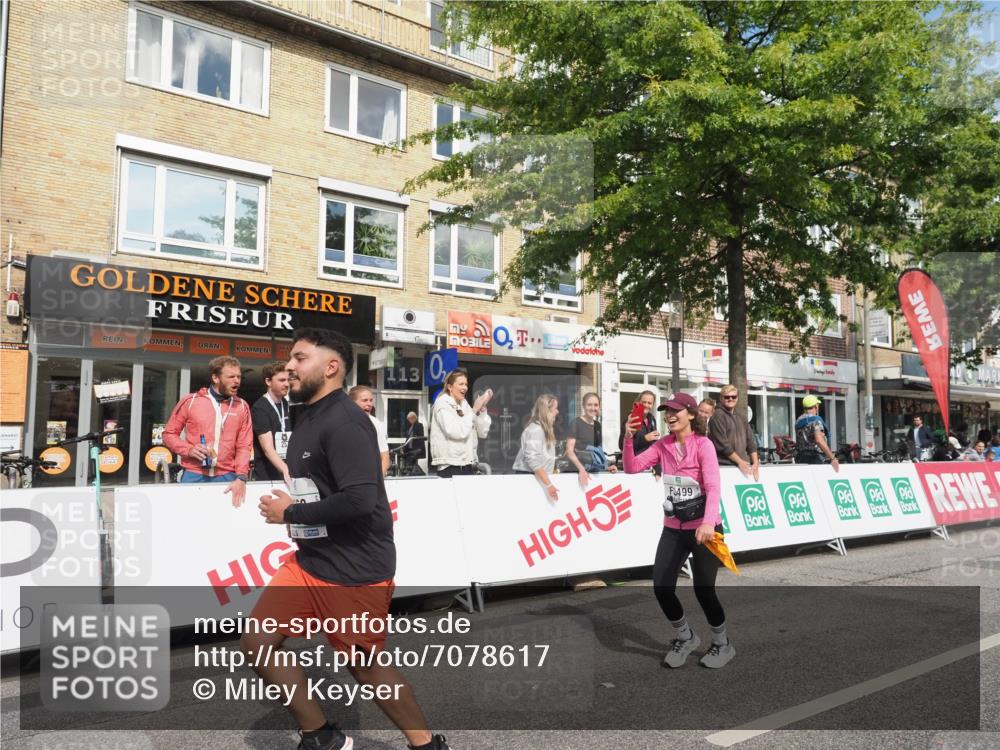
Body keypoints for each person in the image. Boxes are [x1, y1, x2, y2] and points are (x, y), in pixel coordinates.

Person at [247, 327, 452, 750]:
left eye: (300, 358)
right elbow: (324, 488)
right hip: (311, 561)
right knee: (259, 642)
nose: (289, 367)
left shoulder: (346, 422)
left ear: (331, 367)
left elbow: (359, 500)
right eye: (290, 360)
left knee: (365, 667)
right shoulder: (308, 416)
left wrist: (291, 512)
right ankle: (320, 736)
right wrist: (297, 505)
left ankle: (427, 745)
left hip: (356, 568)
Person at [623, 392, 734, 669]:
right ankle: (686, 637)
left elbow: (713, 487)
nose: (669, 416)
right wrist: (628, 438)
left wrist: (708, 522)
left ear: (691, 414)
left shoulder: (704, 445)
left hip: (706, 528)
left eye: (675, 411)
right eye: (666, 412)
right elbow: (632, 467)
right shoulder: (663, 445)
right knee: (661, 586)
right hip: (674, 528)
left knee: (704, 589)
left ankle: (722, 644)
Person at [163, 355, 252, 507]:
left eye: (238, 376)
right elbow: (168, 434)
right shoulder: (190, 401)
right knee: (189, 521)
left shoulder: (242, 406)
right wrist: (188, 450)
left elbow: (244, 445)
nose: (237, 381)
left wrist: (241, 477)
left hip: (228, 476)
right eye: (231, 377)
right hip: (194, 474)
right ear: (216, 378)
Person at [430, 369, 492, 477]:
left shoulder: (464, 404)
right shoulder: (442, 404)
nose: (465, 387)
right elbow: (456, 432)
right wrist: (474, 411)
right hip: (450, 466)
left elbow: (482, 432)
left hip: (468, 465)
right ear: (450, 387)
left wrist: (482, 412)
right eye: (461, 384)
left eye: (466, 384)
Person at [251, 361, 293, 484]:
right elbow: (267, 449)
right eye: (281, 380)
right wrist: (286, 470)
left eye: (287, 380)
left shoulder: (288, 405)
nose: (286, 384)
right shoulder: (260, 408)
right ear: (268, 381)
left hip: (289, 473)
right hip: (268, 476)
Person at [513, 394, 561, 502]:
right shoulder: (536, 430)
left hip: (536, 478)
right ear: (546, 410)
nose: (557, 412)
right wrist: (548, 485)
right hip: (528, 478)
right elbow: (533, 460)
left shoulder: (542, 429)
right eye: (555, 408)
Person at [564, 392, 617, 487]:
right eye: (589, 405)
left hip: (593, 472)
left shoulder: (597, 425)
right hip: (576, 474)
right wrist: (581, 469)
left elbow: (598, 451)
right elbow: (569, 451)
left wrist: (606, 467)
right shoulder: (576, 423)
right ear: (583, 406)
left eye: (596, 405)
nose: (593, 408)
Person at [708, 384, 760, 480]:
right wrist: (740, 462)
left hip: (743, 466)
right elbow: (723, 445)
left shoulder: (740, 416)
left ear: (737, 398)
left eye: (734, 396)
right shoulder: (717, 416)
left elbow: (750, 441)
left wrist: (755, 463)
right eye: (727, 397)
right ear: (721, 398)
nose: (730, 399)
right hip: (724, 467)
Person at [349, 386, 390, 476]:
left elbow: (385, 459)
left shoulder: (376, 424)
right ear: (352, 403)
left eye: (371, 400)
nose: (370, 404)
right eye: (365, 400)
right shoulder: (339, 422)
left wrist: (377, 481)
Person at [793, 395, 840, 472]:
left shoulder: (798, 420)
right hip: (815, 458)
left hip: (801, 457)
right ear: (816, 406)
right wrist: (832, 458)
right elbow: (819, 440)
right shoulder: (816, 421)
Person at [619, 390, 661, 475]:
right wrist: (645, 438)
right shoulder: (631, 419)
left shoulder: (652, 419)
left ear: (653, 405)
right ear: (638, 402)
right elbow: (621, 446)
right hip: (635, 466)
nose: (646, 405)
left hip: (649, 466)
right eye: (644, 402)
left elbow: (653, 446)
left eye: (649, 403)